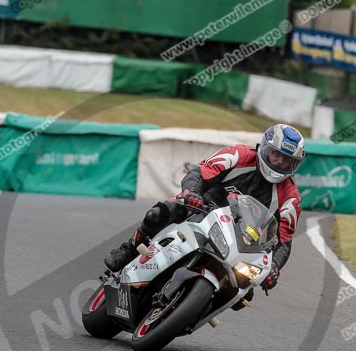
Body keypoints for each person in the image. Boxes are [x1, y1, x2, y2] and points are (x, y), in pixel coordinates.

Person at [105, 124, 305, 292]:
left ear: (294, 165)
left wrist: (275, 267)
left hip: (241, 241)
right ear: (264, 149)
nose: (279, 162)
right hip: (203, 209)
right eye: (276, 155)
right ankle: (129, 249)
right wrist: (191, 193)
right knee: (159, 213)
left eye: (286, 160)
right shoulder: (239, 155)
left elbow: (284, 242)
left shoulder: (290, 198)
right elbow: (199, 173)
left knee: (244, 289)